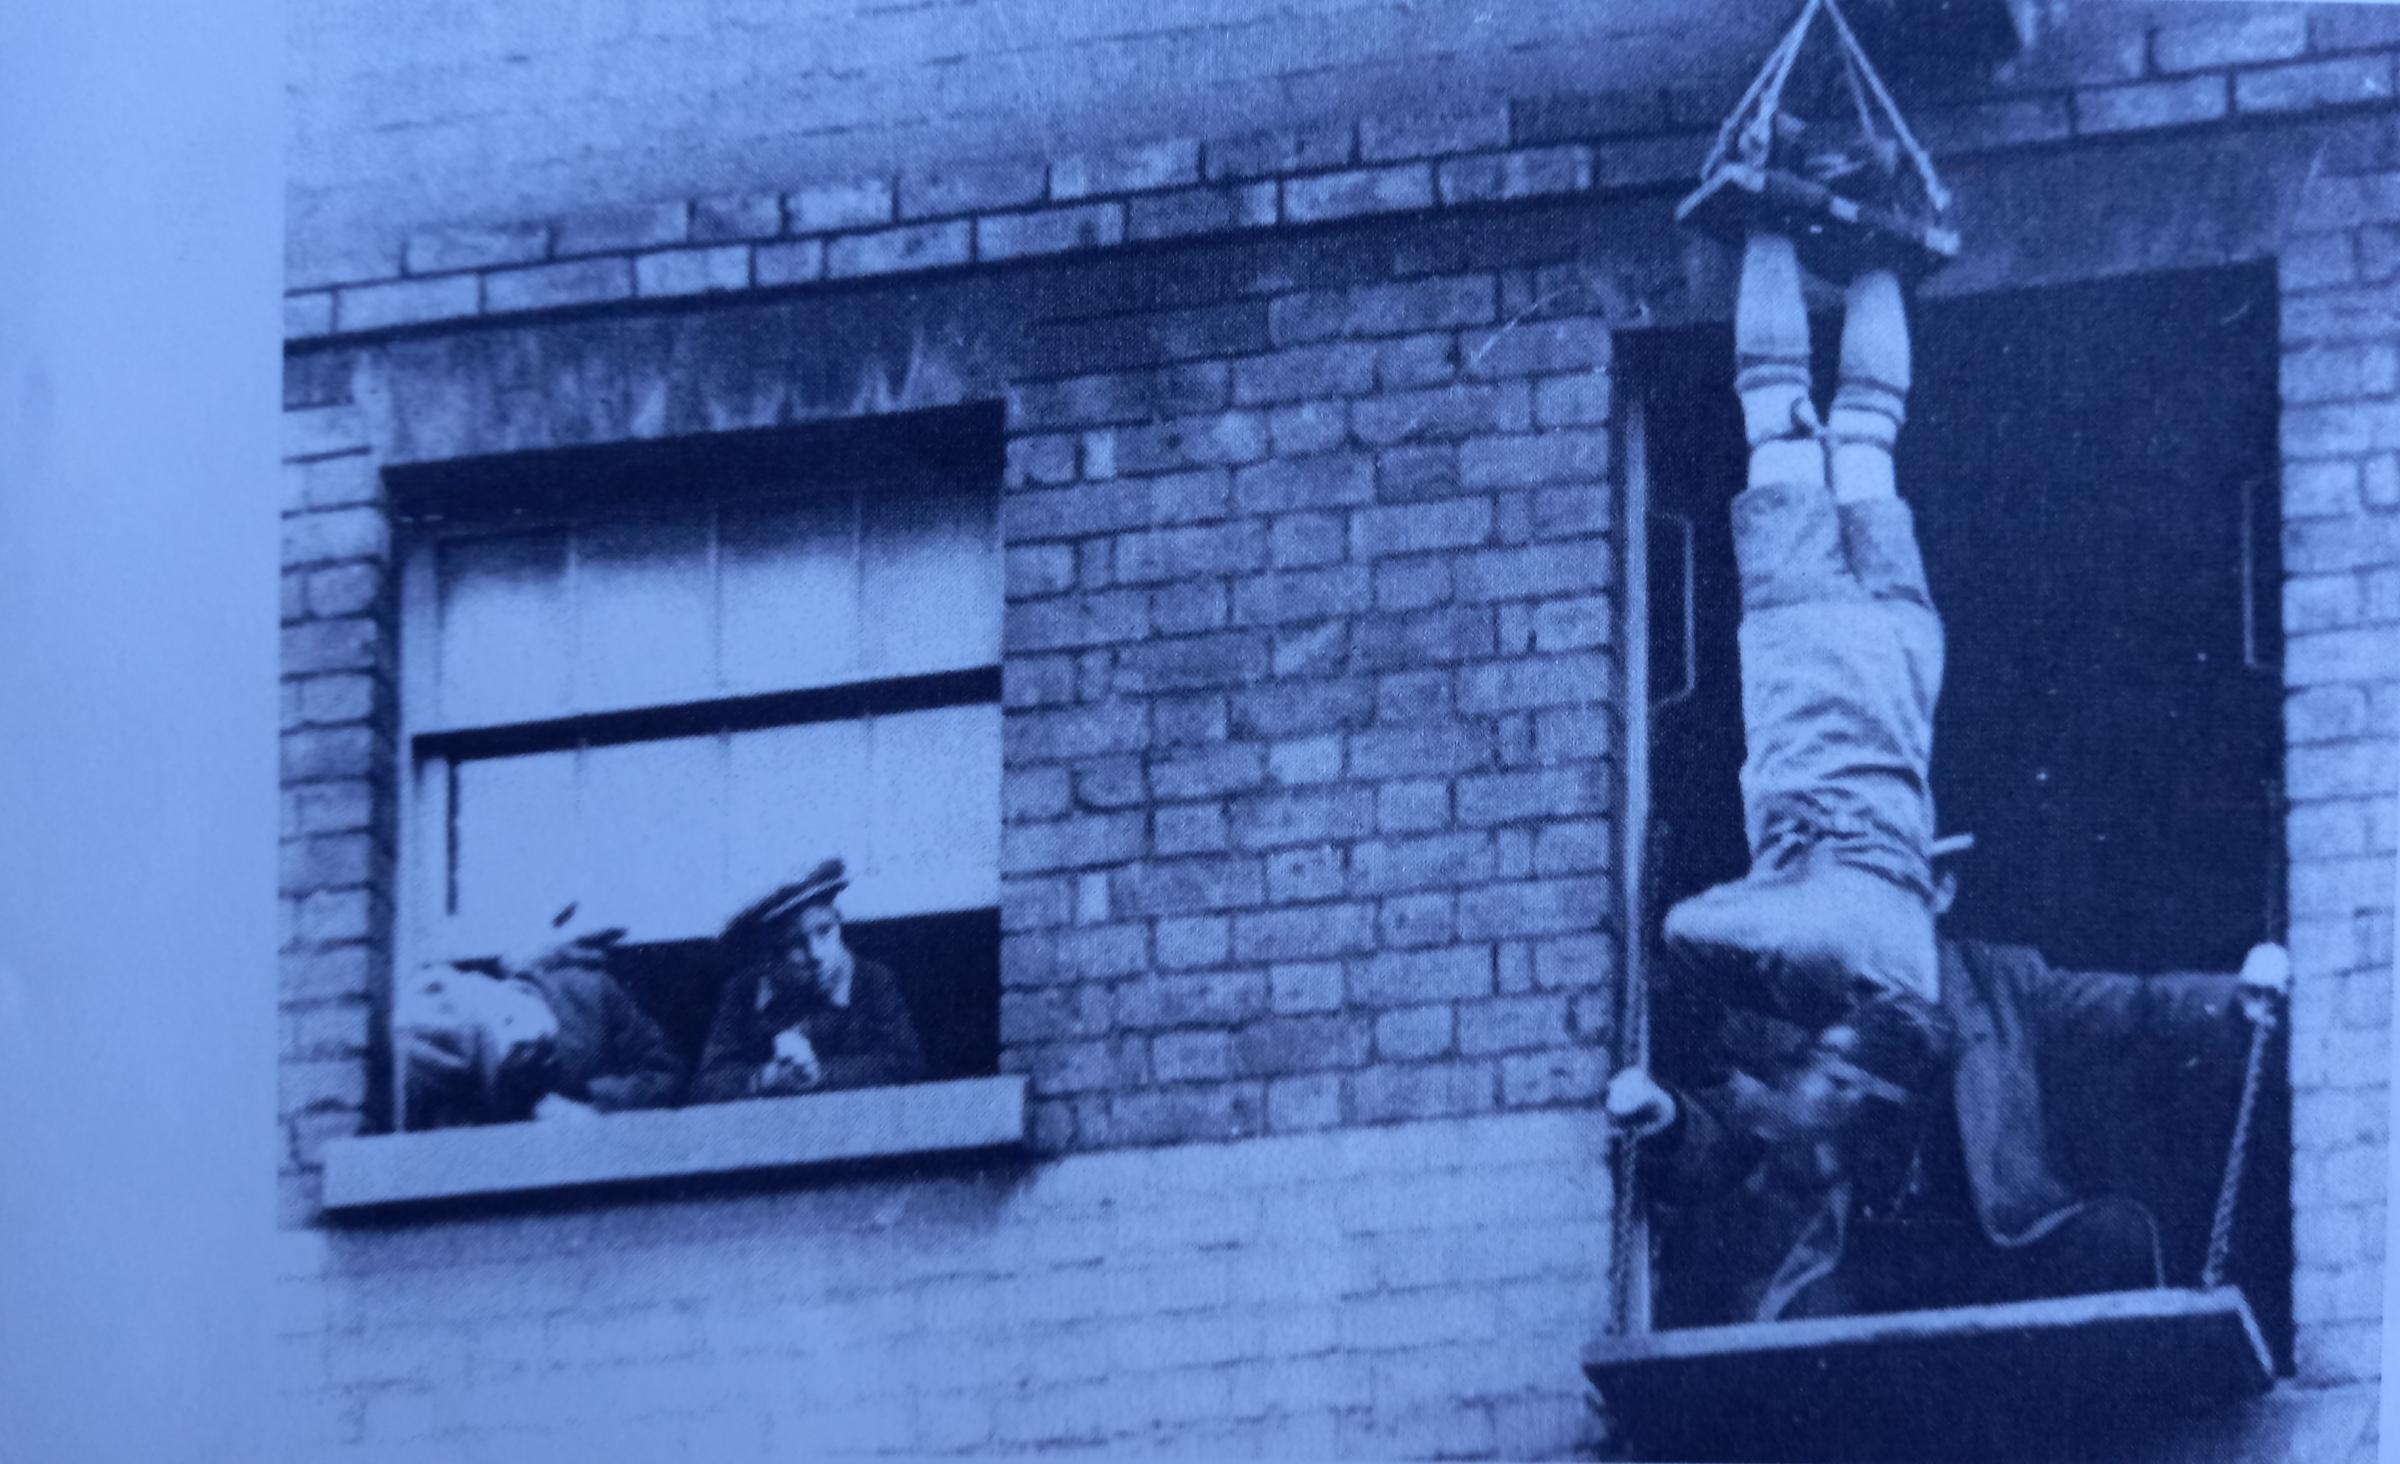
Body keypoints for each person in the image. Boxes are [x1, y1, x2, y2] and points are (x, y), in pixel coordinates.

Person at [1611, 938, 2289, 1326]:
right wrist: (1666, 1121)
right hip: (1873, 1260)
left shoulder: (2004, 985)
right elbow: (1745, 1124)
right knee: (1803, 1331)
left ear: (1937, 891)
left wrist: (2230, 1000)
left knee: (2113, 1241)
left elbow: (2133, 1012)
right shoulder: (1810, 992)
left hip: (2000, 1243)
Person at [399, 905, 685, 1128]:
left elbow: (668, 1074)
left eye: (509, 1022)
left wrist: (592, 1104)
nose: (531, 1041)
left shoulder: (590, 992)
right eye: (512, 1060)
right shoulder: (439, 1070)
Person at [690, 858, 929, 1103]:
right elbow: (708, 1081)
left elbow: (906, 1064)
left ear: (838, 922)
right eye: (795, 943)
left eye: (824, 931)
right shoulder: (743, 992)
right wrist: (767, 1077)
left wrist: (819, 1075)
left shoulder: (872, 980)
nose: (815, 953)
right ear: (769, 956)